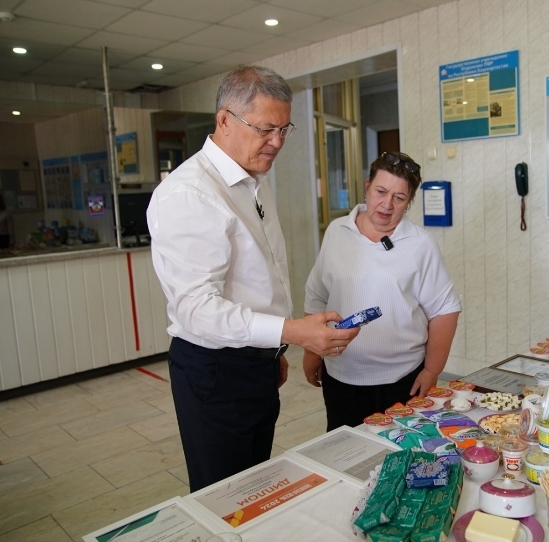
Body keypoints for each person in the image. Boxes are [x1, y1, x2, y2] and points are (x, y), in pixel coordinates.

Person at [147, 65, 359, 492]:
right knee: (224, 494)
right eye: (266, 128)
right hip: (216, 369)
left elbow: (256, 281)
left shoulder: (251, 181)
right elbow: (196, 309)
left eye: (284, 129)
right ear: (225, 120)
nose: (277, 142)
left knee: (254, 479)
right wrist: (294, 332)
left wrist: (273, 348)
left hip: (254, 358)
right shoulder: (190, 194)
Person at [303, 151, 461, 430]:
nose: (386, 204)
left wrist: (432, 369)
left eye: (399, 198)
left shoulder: (421, 244)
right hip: (341, 377)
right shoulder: (337, 231)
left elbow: (444, 309)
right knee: (346, 455)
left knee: (401, 459)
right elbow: (317, 293)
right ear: (367, 186)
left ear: (409, 201)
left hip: (402, 380)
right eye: (380, 191)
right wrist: (312, 351)